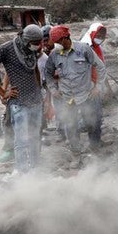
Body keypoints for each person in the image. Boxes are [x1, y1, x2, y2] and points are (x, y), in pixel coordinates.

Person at [0, 24, 44, 176]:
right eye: (35, 43)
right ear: (25, 39)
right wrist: (3, 92)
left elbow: (34, 69)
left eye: (39, 42)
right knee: (21, 141)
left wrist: (39, 89)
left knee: (35, 137)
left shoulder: (32, 51)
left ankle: (35, 168)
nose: (38, 46)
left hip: (35, 100)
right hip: (19, 103)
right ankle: (22, 171)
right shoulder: (6, 48)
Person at [44, 25, 106, 162]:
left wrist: (98, 87)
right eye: (55, 43)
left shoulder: (83, 49)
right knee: (71, 126)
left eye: (59, 42)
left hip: (86, 95)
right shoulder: (54, 55)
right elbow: (47, 74)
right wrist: (53, 90)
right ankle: (76, 153)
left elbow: (100, 67)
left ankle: (94, 149)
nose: (57, 45)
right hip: (67, 98)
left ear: (66, 38)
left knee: (92, 123)